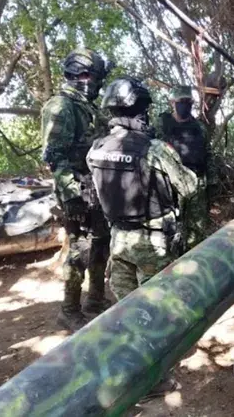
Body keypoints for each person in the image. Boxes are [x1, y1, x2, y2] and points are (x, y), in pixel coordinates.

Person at [87, 77, 198, 301]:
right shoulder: (153, 149)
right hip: (152, 242)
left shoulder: (96, 149)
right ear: (140, 110)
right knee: (159, 308)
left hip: (118, 241)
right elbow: (189, 186)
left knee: (127, 310)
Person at [41, 48, 113, 331]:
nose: (93, 82)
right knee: (79, 251)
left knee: (101, 245)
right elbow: (53, 156)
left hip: (96, 188)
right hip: (76, 191)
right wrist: (70, 193)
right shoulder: (61, 106)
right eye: (91, 76)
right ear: (78, 75)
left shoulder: (88, 106)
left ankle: (95, 299)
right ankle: (69, 309)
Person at [157, 85, 216, 250]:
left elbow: (208, 153)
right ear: (172, 102)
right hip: (169, 186)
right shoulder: (162, 124)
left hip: (196, 183)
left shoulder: (199, 127)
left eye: (188, 101)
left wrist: (212, 180)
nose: (185, 104)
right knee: (169, 228)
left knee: (196, 231)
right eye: (181, 101)